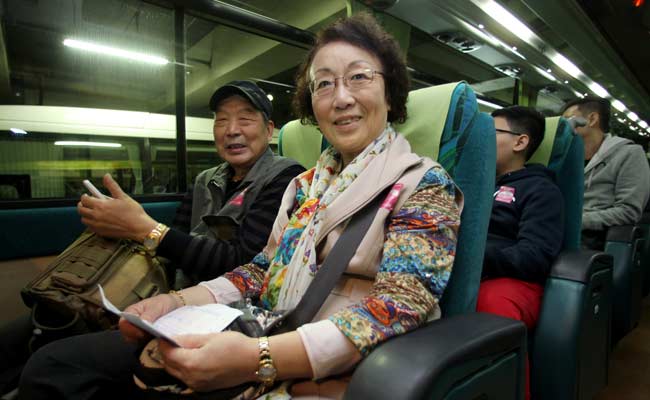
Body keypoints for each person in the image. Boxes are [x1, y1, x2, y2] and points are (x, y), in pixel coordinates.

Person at [19, 13, 462, 400]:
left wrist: (257, 358)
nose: (340, 97)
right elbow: (258, 271)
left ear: (392, 92)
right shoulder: (307, 186)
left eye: (359, 77)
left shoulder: (424, 184)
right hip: (260, 325)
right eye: (323, 83)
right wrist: (172, 302)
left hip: (327, 362)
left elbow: (399, 307)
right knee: (59, 365)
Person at [0, 80, 304, 397]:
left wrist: (145, 228)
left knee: (50, 365)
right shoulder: (205, 180)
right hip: (169, 298)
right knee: (35, 325)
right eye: (222, 119)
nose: (231, 130)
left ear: (269, 130)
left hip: (220, 312)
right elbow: (172, 248)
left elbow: (244, 264)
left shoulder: (286, 178)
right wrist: (124, 231)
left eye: (245, 118)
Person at [476, 106, 564, 400]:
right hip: (467, 268)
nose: (481, 139)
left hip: (512, 279)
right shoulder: (473, 182)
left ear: (520, 142)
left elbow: (534, 256)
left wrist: (474, 256)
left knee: (492, 305)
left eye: (491, 132)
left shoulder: (541, 190)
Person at [562, 97, 650, 250]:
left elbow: (628, 211)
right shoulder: (564, 155)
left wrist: (577, 221)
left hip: (592, 239)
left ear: (592, 119)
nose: (563, 127)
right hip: (557, 229)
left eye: (568, 120)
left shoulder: (629, 154)